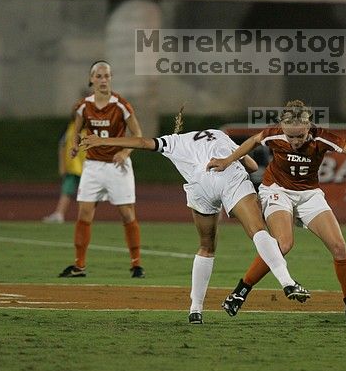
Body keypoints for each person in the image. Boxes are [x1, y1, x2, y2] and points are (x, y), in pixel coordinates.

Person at [80, 110, 310, 324]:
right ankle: (287, 281)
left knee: (206, 247)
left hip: (201, 185)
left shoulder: (173, 141)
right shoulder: (219, 134)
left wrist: (102, 141)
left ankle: (195, 309)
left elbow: (141, 142)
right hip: (227, 175)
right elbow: (249, 164)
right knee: (258, 231)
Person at [207, 99, 346, 316]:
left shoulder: (322, 137)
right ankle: (241, 291)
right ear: (283, 129)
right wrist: (228, 160)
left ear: (308, 127)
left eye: (300, 136)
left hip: (309, 194)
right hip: (277, 190)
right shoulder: (274, 133)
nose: (295, 141)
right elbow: (253, 141)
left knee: (339, 247)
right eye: (290, 136)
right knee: (284, 244)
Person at [58, 60, 145, 279]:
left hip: (117, 167)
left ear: (111, 79)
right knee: (84, 213)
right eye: (99, 76)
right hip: (93, 166)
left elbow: (137, 135)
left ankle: (136, 265)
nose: (103, 80)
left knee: (127, 214)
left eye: (107, 76)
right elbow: (77, 132)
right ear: (91, 80)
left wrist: (124, 152)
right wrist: (75, 148)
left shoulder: (122, 105)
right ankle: (79, 266)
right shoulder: (82, 106)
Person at [42, 114, 86, 224]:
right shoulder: (69, 127)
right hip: (72, 166)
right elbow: (62, 146)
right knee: (66, 190)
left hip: (88, 166)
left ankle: (85, 217)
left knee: (87, 193)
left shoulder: (91, 128)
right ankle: (59, 214)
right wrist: (62, 165)